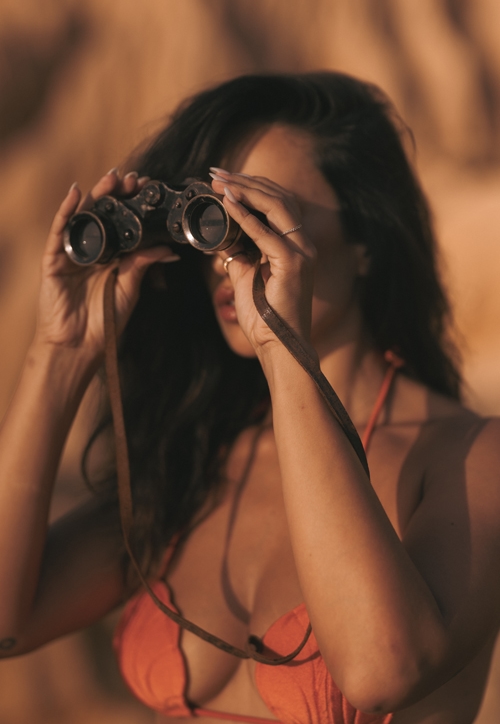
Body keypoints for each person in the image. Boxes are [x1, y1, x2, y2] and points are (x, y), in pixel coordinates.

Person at [0, 72, 499, 724]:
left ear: (366, 243)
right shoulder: (203, 459)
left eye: (258, 216)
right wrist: (61, 357)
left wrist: (284, 347)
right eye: (211, 218)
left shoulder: (467, 459)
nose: (227, 256)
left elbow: (383, 670)